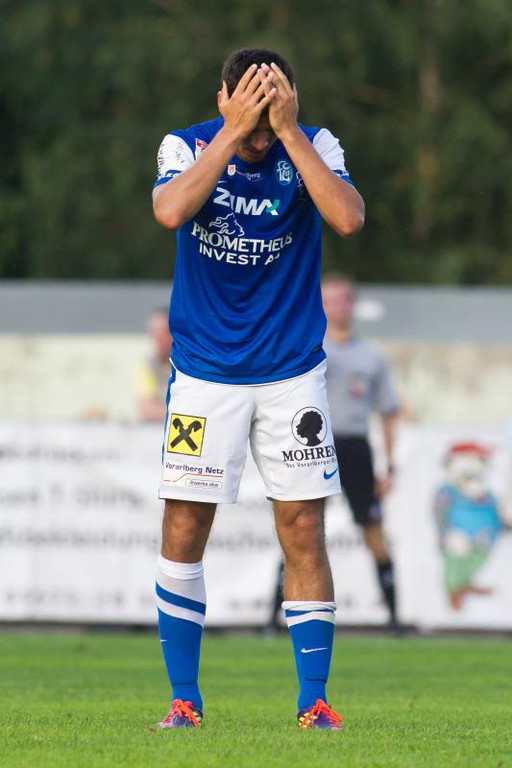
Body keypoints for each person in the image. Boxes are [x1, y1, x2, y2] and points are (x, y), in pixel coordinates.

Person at [152, 47, 365, 730]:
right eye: (251, 106)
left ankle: (314, 702)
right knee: (186, 524)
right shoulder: (187, 146)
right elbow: (171, 211)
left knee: (303, 527)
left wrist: (290, 132)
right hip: (204, 374)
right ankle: (184, 700)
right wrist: (232, 132)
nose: (262, 128)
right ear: (223, 99)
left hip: (291, 372)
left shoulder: (313, 144)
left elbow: (348, 218)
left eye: (275, 108)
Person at [322, 274, 401, 628]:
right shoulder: (308, 349)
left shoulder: (371, 356)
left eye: (342, 299)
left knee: (373, 529)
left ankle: (394, 616)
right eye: (328, 300)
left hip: (355, 445)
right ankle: (274, 619)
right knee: (301, 527)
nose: (336, 307)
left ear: (352, 305)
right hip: (315, 444)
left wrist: (390, 466)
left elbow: (389, 412)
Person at [136, 308, 173, 422]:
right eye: (154, 331)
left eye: (163, 332)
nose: (158, 337)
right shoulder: (149, 364)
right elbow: (147, 409)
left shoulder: (190, 364)